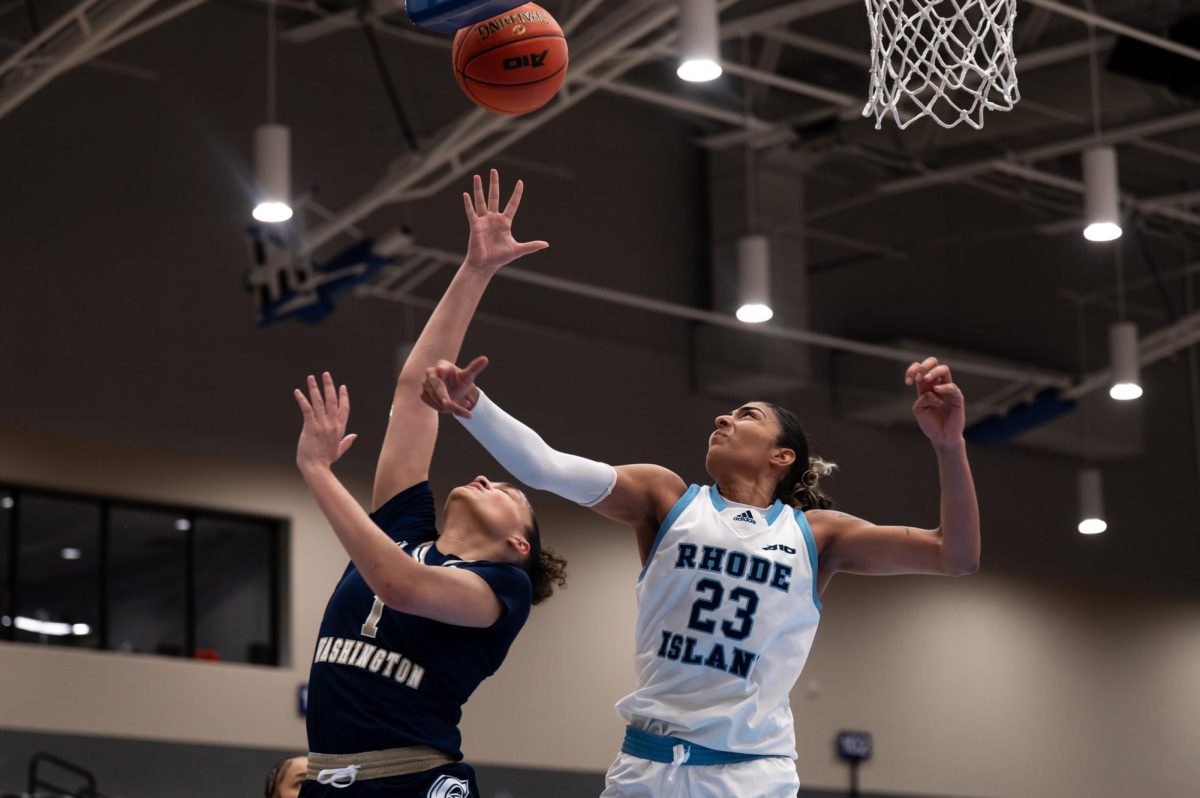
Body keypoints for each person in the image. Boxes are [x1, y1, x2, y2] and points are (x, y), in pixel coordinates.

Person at [420, 348, 980, 796]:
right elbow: (547, 467)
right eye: (729, 411)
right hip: (645, 767)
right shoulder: (665, 497)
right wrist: (475, 406)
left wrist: (949, 444)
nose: (723, 417)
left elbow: (954, 556)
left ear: (782, 457)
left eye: (747, 416)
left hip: (749, 774)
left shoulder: (817, 535)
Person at [293, 170, 566, 797]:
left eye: (507, 491)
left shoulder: (504, 590)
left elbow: (399, 584)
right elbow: (416, 389)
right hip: (327, 782)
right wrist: (475, 270)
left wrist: (316, 470)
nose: (482, 476)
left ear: (519, 545)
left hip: (414, 781)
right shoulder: (405, 529)